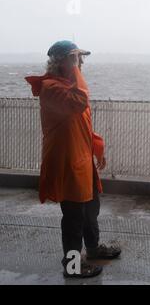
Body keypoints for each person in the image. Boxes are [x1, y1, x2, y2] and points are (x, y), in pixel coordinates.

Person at [25, 40, 121, 278]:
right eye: (76, 59)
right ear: (62, 62)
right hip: (67, 162)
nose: (81, 63)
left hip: (81, 159)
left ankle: (93, 248)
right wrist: (74, 69)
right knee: (73, 216)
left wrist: (97, 148)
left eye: (80, 60)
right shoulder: (51, 88)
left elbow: (82, 123)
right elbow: (80, 103)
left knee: (90, 207)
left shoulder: (67, 87)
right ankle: (72, 265)